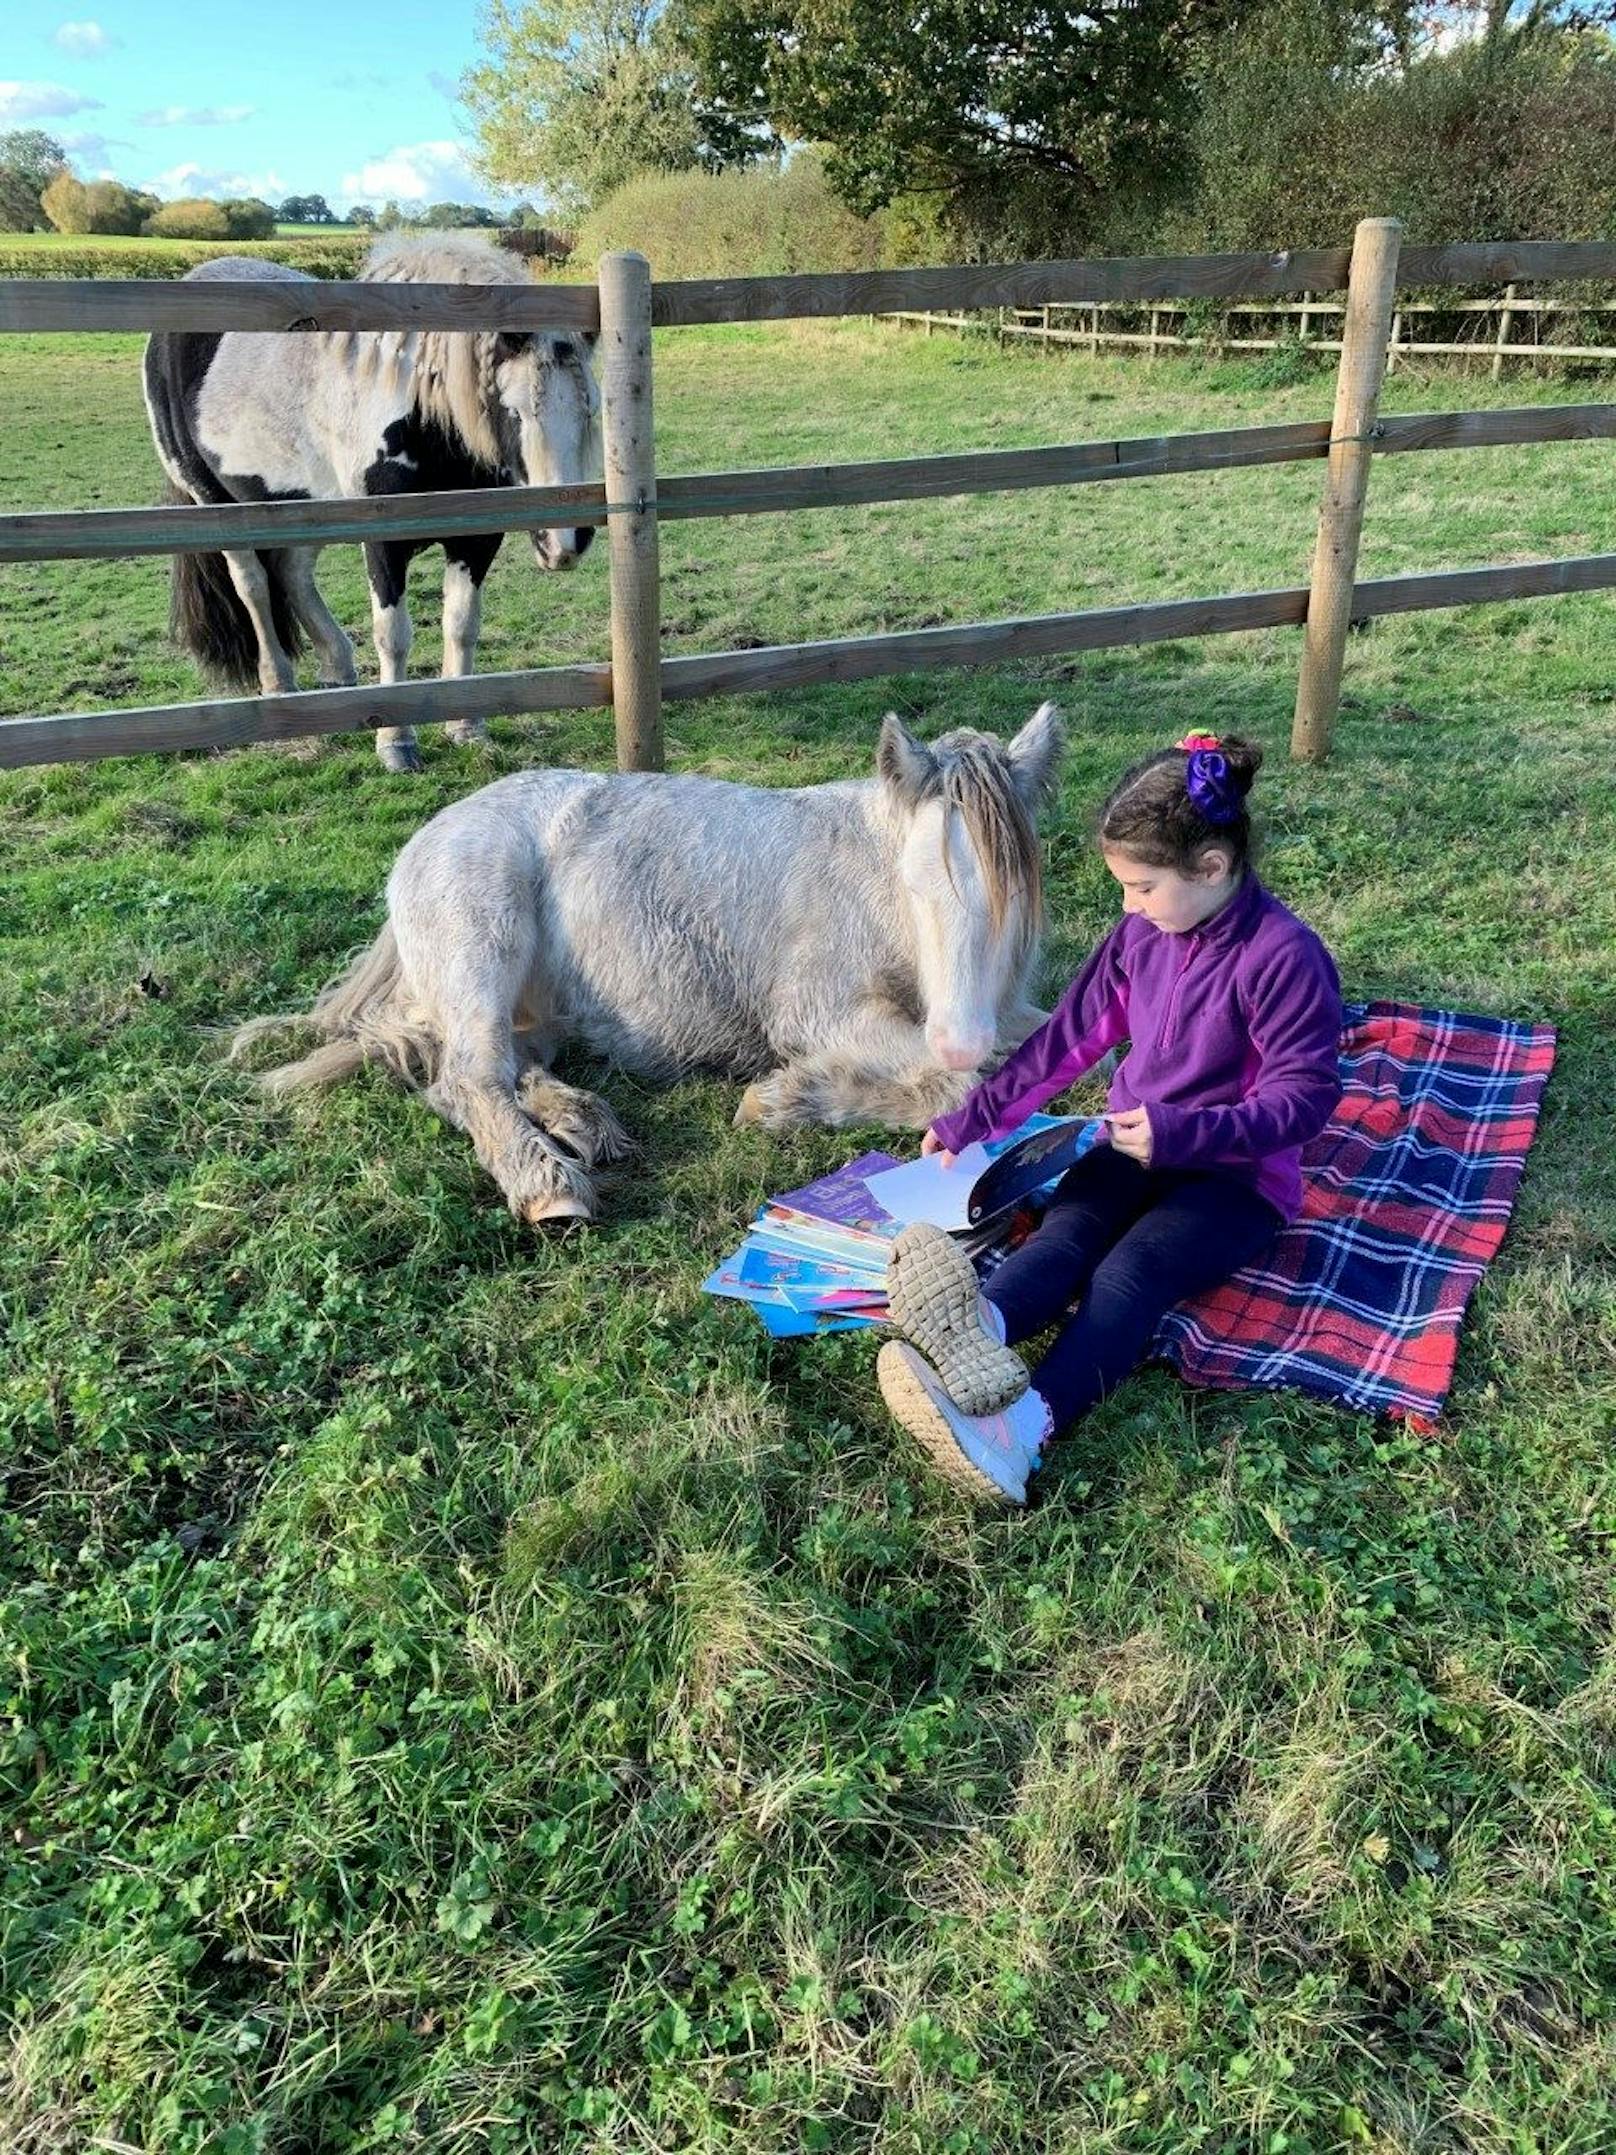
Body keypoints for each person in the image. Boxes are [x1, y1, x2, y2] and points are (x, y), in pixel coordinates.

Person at [878, 730, 1342, 1507]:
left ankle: (1022, 1430)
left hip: (1235, 1181)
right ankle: (975, 1331)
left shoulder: (1285, 958)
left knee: (1129, 1272)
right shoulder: (1142, 934)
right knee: (1067, 1233)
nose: (1127, 905)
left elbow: (1305, 1101)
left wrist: (1185, 1132)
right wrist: (974, 1117)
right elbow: (1068, 1037)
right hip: (1131, 1144)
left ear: (1213, 868)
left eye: (1142, 886)